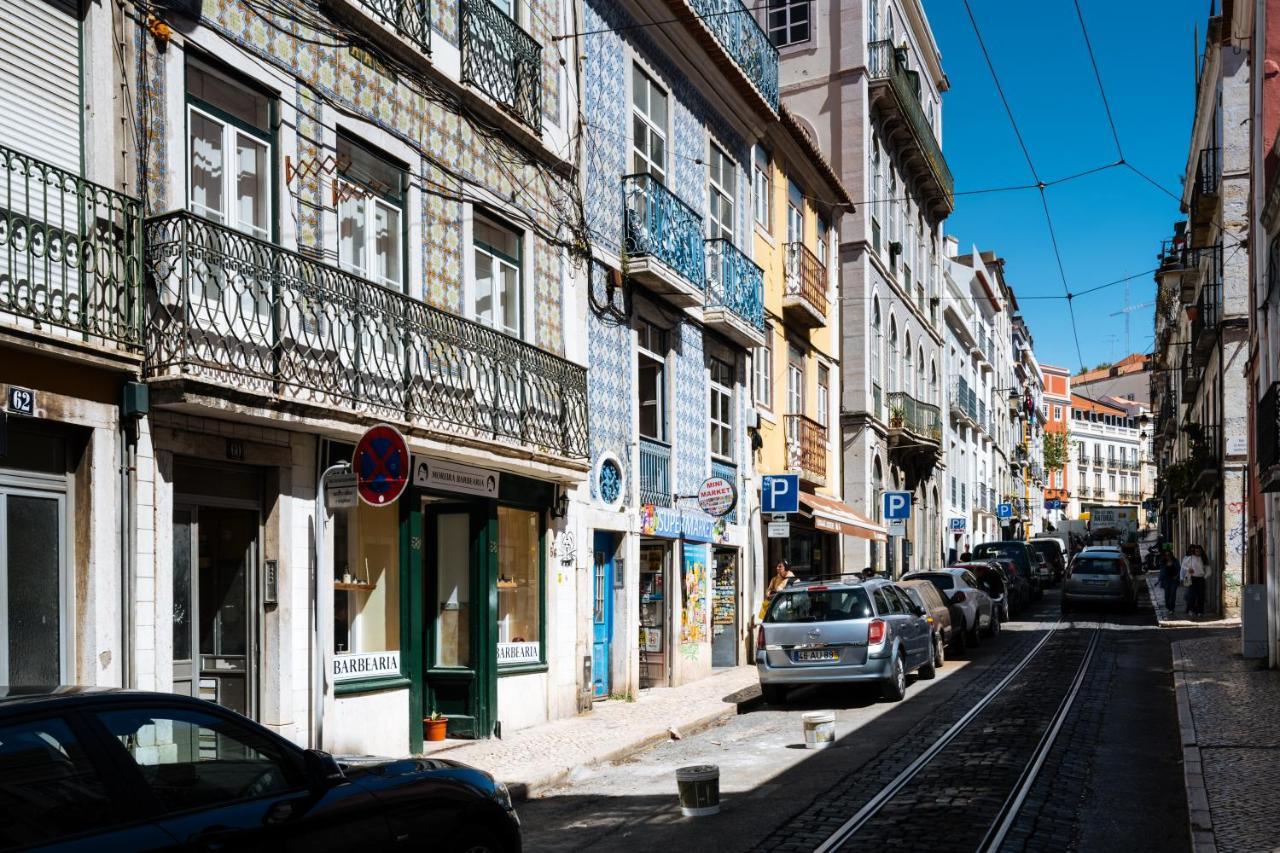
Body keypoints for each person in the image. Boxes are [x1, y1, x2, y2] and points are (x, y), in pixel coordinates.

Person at [1181, 544, 1211, 617]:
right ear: (1194, 551)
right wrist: (1188, 569)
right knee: (1192, 596)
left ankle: (1200, 611)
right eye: (1196, 551)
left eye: (1199, 551)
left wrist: (1205, 577)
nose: (1198, 552)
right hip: (1192, 578)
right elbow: (1183, 565)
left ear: (1201, 551)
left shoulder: (1203, 559)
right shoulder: (1190, 558)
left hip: (1201, 579)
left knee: (1201, 596)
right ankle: (1191, 610)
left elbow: (1209, 570)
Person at [1157, 544, 1181, 614]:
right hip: (1166, 580)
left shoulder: (1176, 561)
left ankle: (1172, 608)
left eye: (1169, 555)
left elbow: (1179, 570)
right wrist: (1159, 580)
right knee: (1167, 595)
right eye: (1166, 555)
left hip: (1174, 580)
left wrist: (1177, 576)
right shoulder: (1163, 562)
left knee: (1172, 594)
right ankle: (1168, 606)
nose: (1167, 556)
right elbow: (1161, 571)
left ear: (1171, 555)